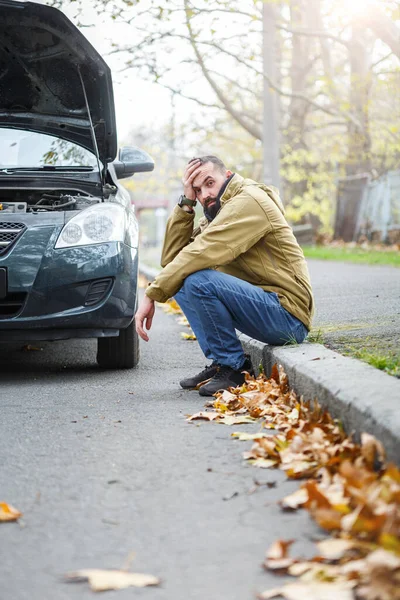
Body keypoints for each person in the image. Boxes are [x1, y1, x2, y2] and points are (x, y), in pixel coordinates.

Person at [135, 156, 314, 397]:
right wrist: (186, 203)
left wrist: (152, 293)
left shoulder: (249, 202)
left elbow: (201, 251)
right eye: (197, 190)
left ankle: (235, 368)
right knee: (181, 276)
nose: (205, 194)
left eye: (210, 183)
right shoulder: (216, 213)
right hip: (266, 307)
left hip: (287, 316)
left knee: (198, 280)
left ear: (227, 176)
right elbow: (172, 260)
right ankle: (222, 363)